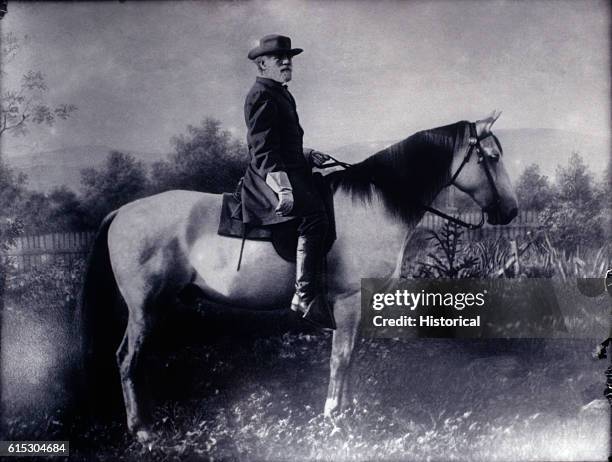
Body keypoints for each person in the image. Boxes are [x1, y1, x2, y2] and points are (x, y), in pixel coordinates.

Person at [241, 34, 336, 330]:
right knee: (315, 217)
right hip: (268, 176)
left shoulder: (280, 92)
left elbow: (280, 140)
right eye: (278, 58)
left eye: (289, 57)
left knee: (325, 191)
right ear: (261, 65)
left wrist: (308, 155)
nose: (286, 61)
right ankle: (304, 295)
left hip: (289, 168)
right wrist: (282, 187)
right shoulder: (261, 94)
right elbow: (263, 149)